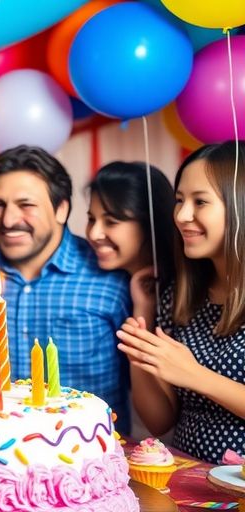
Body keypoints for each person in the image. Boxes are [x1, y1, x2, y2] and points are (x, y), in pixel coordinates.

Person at [0, 145, 132, 433]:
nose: (8, 220)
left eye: (26, 205)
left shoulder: (112, 278)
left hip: (85, 461)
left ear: (62, 209)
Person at [117, 141, 245, 464]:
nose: (182, 215)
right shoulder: (181, 295)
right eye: (179, 201)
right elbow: (160, 421)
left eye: (200, 201)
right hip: (188, 484)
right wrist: (141, 337)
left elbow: (191, 375)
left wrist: (194, 374)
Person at [87, 162, 176, 326]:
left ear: (150, 224)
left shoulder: (180, 290)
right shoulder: (110, 280)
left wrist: (144, 310)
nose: (94, 234)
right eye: (91, 219)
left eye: (111, 222)